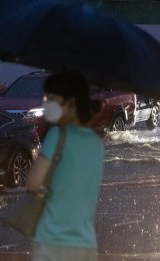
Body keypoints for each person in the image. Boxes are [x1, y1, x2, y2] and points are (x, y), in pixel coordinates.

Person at [26, 71, 105, 261]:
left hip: (53, 241)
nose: (46, 103)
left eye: (52, 98)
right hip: (85, 243)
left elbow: (33, 183)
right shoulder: (96, 143)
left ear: (70, 103)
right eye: (46, 97)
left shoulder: (56, 137)